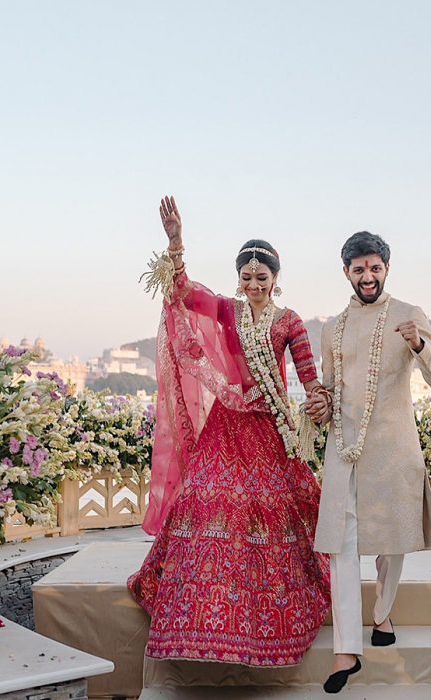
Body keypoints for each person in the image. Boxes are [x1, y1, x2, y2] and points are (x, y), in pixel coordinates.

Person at [128, 195, 331, 667]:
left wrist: (319, 400)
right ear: (238, 280)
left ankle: (270, 617)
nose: (255, 284)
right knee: (204, 498)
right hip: (227, 424)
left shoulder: (289, 322)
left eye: (263, 277)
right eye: (246, 277)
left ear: (276, 280)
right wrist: (175, 241)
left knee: (271, 510)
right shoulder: (226, 310)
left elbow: (307, 375)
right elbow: (181, 294)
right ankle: (197, 614)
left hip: (269, 427)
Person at [305, 231, 431, 693]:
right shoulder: (333, 326)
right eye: (358, 269)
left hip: (393, 448)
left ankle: (383, 613)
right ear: (346, 272)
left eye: (374, 268)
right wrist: (320, 405)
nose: (367, 276)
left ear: (386, 268)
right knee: (342, 543)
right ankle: (347, 650)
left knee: (391, 540)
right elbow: (329, 387)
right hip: (344, 448)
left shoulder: (409, 315)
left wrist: (419, 345)